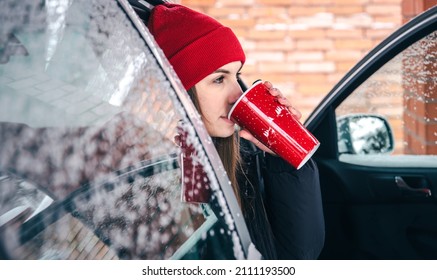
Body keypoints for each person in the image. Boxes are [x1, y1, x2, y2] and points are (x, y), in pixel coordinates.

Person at [147, 3, 325, 260]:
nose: (238, 95)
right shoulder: (162, 175)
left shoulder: (244, 158)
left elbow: (299, 255)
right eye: (219, 79)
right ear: (178, 92)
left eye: (236, 76)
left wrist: (283, 157)